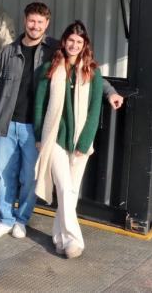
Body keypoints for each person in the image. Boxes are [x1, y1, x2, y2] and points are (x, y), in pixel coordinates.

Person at [0, 2, 123, 239]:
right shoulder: (8, 51)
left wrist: (111, 92)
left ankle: (21, 220)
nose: (35, 26)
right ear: (25, 20)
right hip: (6, 123)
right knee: (4, 173)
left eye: (40, 22)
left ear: (47, 24)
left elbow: (87, 69)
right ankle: (5, 219)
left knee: (29, 176)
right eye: (31, 21)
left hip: (37, 128)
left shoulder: (55, 49)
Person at [34, 21, 103, 259]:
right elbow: (40, 106)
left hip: (80, 142)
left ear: (84, 45)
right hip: (54, 137)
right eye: (70, 40)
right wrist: (38, 136)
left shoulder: (93, 72)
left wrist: (85, 143)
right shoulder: (50, 68)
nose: (74, 45)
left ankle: (59, 238)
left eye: (79, 42)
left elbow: (95, 110)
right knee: (64, 188)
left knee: (71, 192)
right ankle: (74, 240)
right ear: (64, 41)